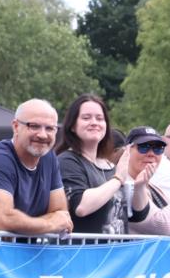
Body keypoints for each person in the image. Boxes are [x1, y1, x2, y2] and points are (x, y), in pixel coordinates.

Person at [0, 99, 73, 237]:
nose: (42, 135)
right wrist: (50, 224)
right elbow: (2, 219)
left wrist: (25, 225)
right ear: (16, 126)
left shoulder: (49, 158)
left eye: (49, 128)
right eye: (34, 126)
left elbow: (60, 213)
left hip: (15, 254)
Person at [57, 94, 150, 235]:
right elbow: (81, 206)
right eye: (86, 118)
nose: (94, 122)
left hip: (115, 255)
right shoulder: (67, 161)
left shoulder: (109, 166)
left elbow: (139, 215)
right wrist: (118, 179)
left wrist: (140, 186)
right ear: (72, 126)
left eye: (100, 119)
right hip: (84, 253)